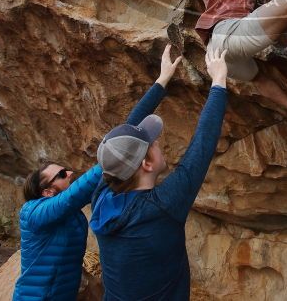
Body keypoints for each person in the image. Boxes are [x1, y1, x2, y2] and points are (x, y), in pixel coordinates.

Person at [13, 45, 183, 301]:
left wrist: (161, 82)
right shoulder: (32, 214)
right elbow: (74, 195)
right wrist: (115, 159)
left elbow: (126, 131)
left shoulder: (70, 214)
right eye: (61, 174)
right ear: (46, 191)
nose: (70, 173)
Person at [90, 47, 229, 301]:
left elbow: (126, 135)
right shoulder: (161, 206)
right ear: (146, 164)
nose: (157, 142)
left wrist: (162, 80)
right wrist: (219, 80)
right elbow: (202, 145)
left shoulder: (103, 196)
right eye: (153, 142)